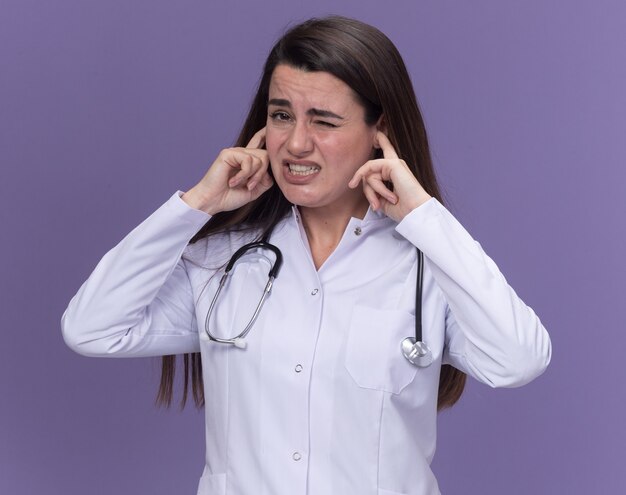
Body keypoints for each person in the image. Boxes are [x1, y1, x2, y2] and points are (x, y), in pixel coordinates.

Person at [62, 16, 551, 495]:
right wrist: (197, 205)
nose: (295, 143)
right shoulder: (222, 263)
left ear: (380, 131)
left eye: (324, 121)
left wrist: (424, 216)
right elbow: (92, 328)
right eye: (281, 116)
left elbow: (518, 359)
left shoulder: (428, 267)